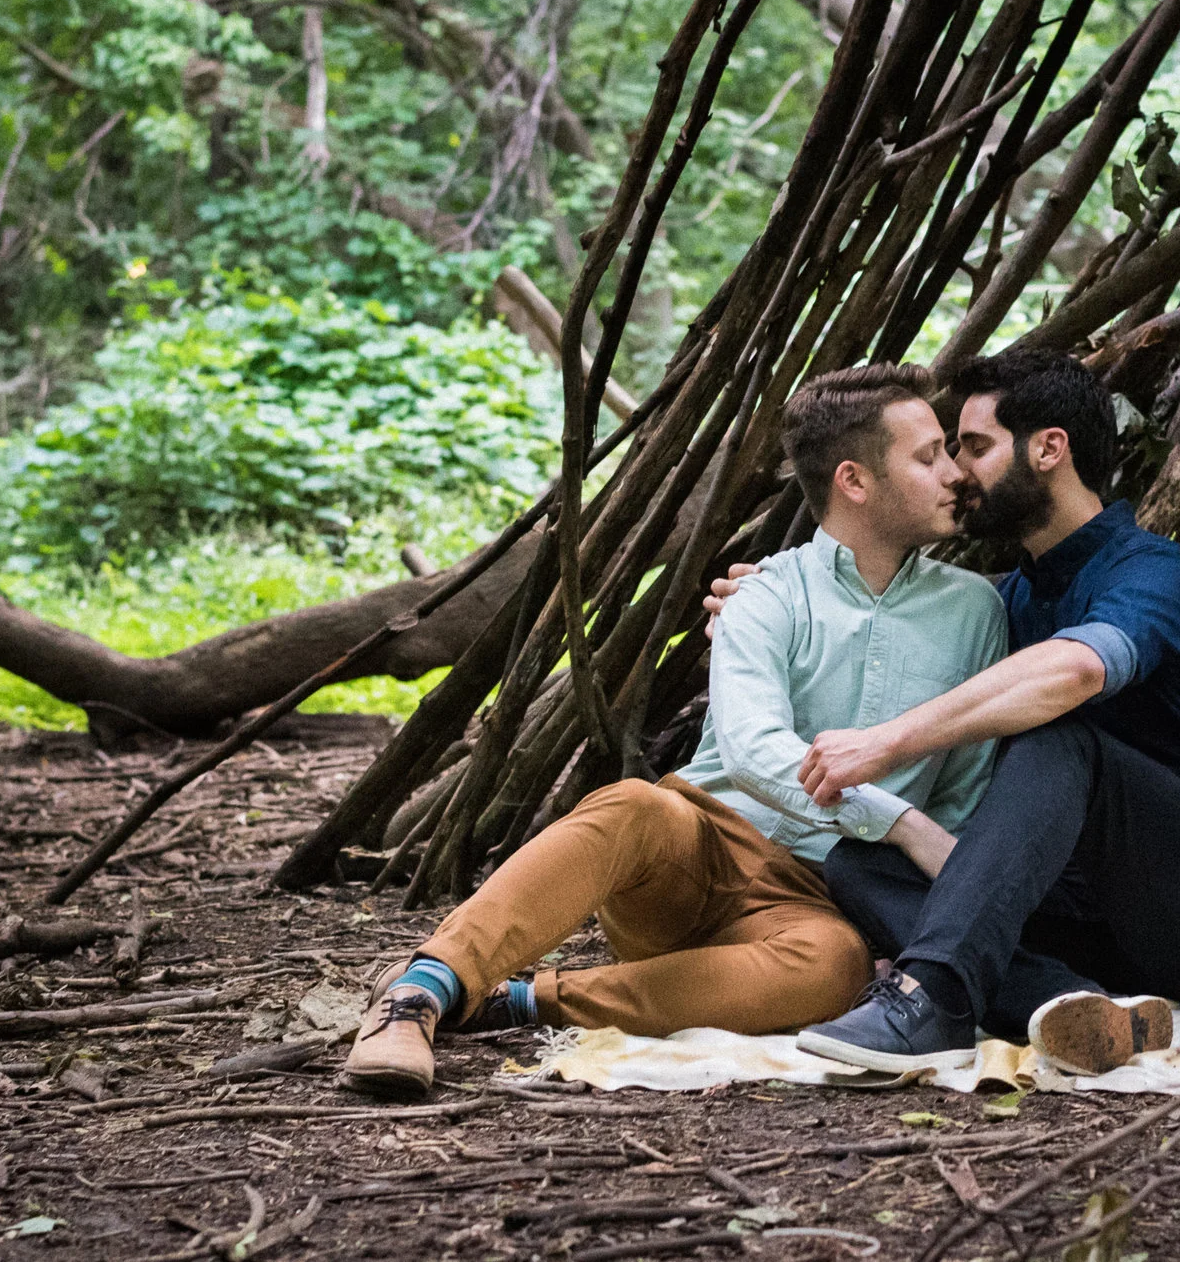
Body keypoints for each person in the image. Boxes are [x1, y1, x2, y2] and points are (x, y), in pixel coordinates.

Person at [344, 362, 1011, 1099]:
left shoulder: (976, 613)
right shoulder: (765, 595)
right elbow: (757, 754)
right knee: (632, 805)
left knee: (833, 967)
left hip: (813, 905)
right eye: (927, 456)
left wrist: (908, 925)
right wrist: (899, 820)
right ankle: (420, 990)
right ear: (854, 480)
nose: (954, 472)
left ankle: (528, 998)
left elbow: (962, 792)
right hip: (698, 844)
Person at [703, 347, 1180, 1077]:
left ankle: (934, 1000)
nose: (955, 471)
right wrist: (769, 593)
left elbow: (1074, 670)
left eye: (974, 446)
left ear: (1049, 449)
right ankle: (1079, 1005)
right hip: (1094, 916)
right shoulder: (1007, 600)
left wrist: (885, 742)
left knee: (1060, 739)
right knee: (862, 862)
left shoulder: (1153, 573)